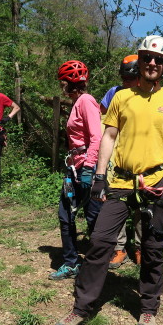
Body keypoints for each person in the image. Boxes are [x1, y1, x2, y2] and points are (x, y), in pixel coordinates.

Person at [54, 35, 163, 325]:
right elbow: (109, 137)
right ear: (139, 61)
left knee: (153, 248)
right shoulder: (120, 98)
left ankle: (148, 308)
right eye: (147, 58)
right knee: (100, 241)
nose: (152, 63)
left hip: (156, 183)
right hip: (120, 181)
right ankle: (82, 306)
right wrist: (99, 176)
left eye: (159, 60)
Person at [49, 60, 103, 281]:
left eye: (62, 82)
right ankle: (73, 262)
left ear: (68, 83)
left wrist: (90, 167)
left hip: (84, 168)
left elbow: (97, 136)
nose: (61, 85)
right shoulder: (78, 102)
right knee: (67, 215)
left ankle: (96, 263)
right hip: (75, 168)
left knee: (93, 218)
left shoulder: (86, 101)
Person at [100, 54, 143, 269]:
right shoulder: (114, 93)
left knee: (141, 205)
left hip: (142, 158)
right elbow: (103, 121)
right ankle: (119, 248)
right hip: (116, 159)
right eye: (124, 78)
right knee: (115, 200)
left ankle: (141, 248)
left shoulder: (147, 95)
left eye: (131, 78)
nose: (126, 82)